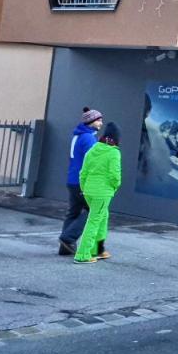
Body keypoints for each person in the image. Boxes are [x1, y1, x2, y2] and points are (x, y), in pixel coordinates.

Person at [74, 122, 122, 264]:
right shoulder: (114, 152)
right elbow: (115, 176)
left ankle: (98, 249)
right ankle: (83, 254)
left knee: (102, 216)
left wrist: (84, 188)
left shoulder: (93, 149)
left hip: (89, 190)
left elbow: (83, 173)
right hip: (102, 192)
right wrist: (115, 187)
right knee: (94, 220)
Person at [59, 107, 102, 256]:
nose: (101, 123)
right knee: (94, 210)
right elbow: (94, 161)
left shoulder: (77, 136)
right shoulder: (88, 138)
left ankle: (65, 247)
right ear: (90, 121)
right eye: (98, 120)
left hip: (72, 180)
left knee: (73, 212)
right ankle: (68, 238)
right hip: (82, 182)